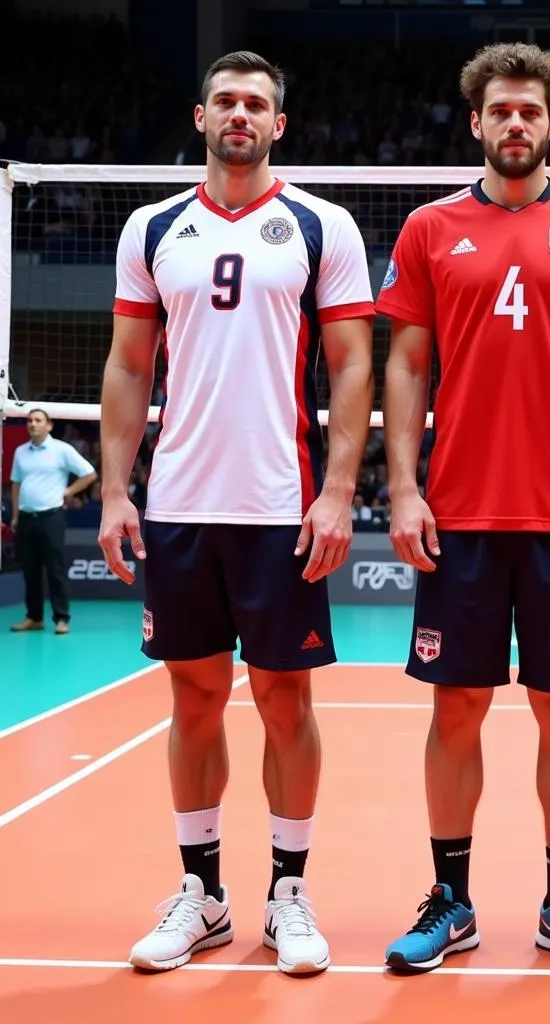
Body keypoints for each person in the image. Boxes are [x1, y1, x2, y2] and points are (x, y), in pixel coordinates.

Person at [375, 41, 550, 974]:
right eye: (499, 110)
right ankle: (451, 899)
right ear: (476, 121)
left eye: (529, 111)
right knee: (456, 708)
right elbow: (407, 365)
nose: (514, 124)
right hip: (457, 510)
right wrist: (405, 486)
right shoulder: (427, 228)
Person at [97, 50, 375, 975]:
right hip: (179, 502)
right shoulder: (152, 226)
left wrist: (338, 491)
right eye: (226, 101)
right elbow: (131, 366)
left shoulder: (318, 224)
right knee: (194, 697)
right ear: (201, 116)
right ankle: (202, 893)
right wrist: (111, 490)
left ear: (279, 124)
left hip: (278, 503)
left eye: (257, 103)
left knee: (285, 701)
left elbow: (350, 368)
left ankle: (289, 891)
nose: (240, 115)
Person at [8, 408, 97, 634]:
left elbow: (89, 473)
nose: (33, 424)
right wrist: (16, 516)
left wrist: (68, 491)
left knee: (55, 569)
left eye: (38, 420)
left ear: (48, 425)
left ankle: (61, 618)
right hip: (27, 518)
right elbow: (16, 484)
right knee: (30, 570)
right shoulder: (21, 452)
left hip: (51, 517)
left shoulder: (61, 450)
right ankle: (34, 617)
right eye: (29, 420)